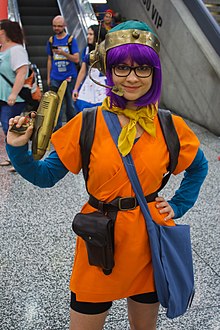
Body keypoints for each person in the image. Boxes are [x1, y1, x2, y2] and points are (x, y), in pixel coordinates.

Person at [6, 20, 208, 330]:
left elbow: (199, 167)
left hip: (148, 242)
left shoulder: (170, 126)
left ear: (154, 72)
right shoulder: (87, 122)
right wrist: (18, 150)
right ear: (108, 70)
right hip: (98, 239)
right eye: (121, 68)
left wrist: (179, 205)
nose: (131, 78)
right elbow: (44, 175)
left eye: (142, 68)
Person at [0, 19, 29, 172]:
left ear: (5, 32)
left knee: (11, 127)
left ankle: (20, 160)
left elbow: (22, 72)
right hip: (2, 97)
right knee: (7, 128)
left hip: (13, 98)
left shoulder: (17, 50)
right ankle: (14, 158)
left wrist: (13, 93)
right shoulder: (2, 50)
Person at [46, 15, 79, 130]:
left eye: (59, 26)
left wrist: (63, 53)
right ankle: (57, 129)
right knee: (56, 106)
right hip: (56, 76)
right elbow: (49, 59)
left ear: (64, 26)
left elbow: (76, 59)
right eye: (54, 26)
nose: (56, 28)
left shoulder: (70, 40)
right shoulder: (51, 41)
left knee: (70, 105)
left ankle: (72, 128)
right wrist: (49, 77)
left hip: (70, 76)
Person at [72, 24, 107, 113]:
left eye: (91, 34)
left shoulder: (107, 50)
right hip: (89, 84)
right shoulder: (87, 50)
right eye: (88, 34)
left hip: (103, 85)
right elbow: (83, 71)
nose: (88, 37)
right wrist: (75, 89)